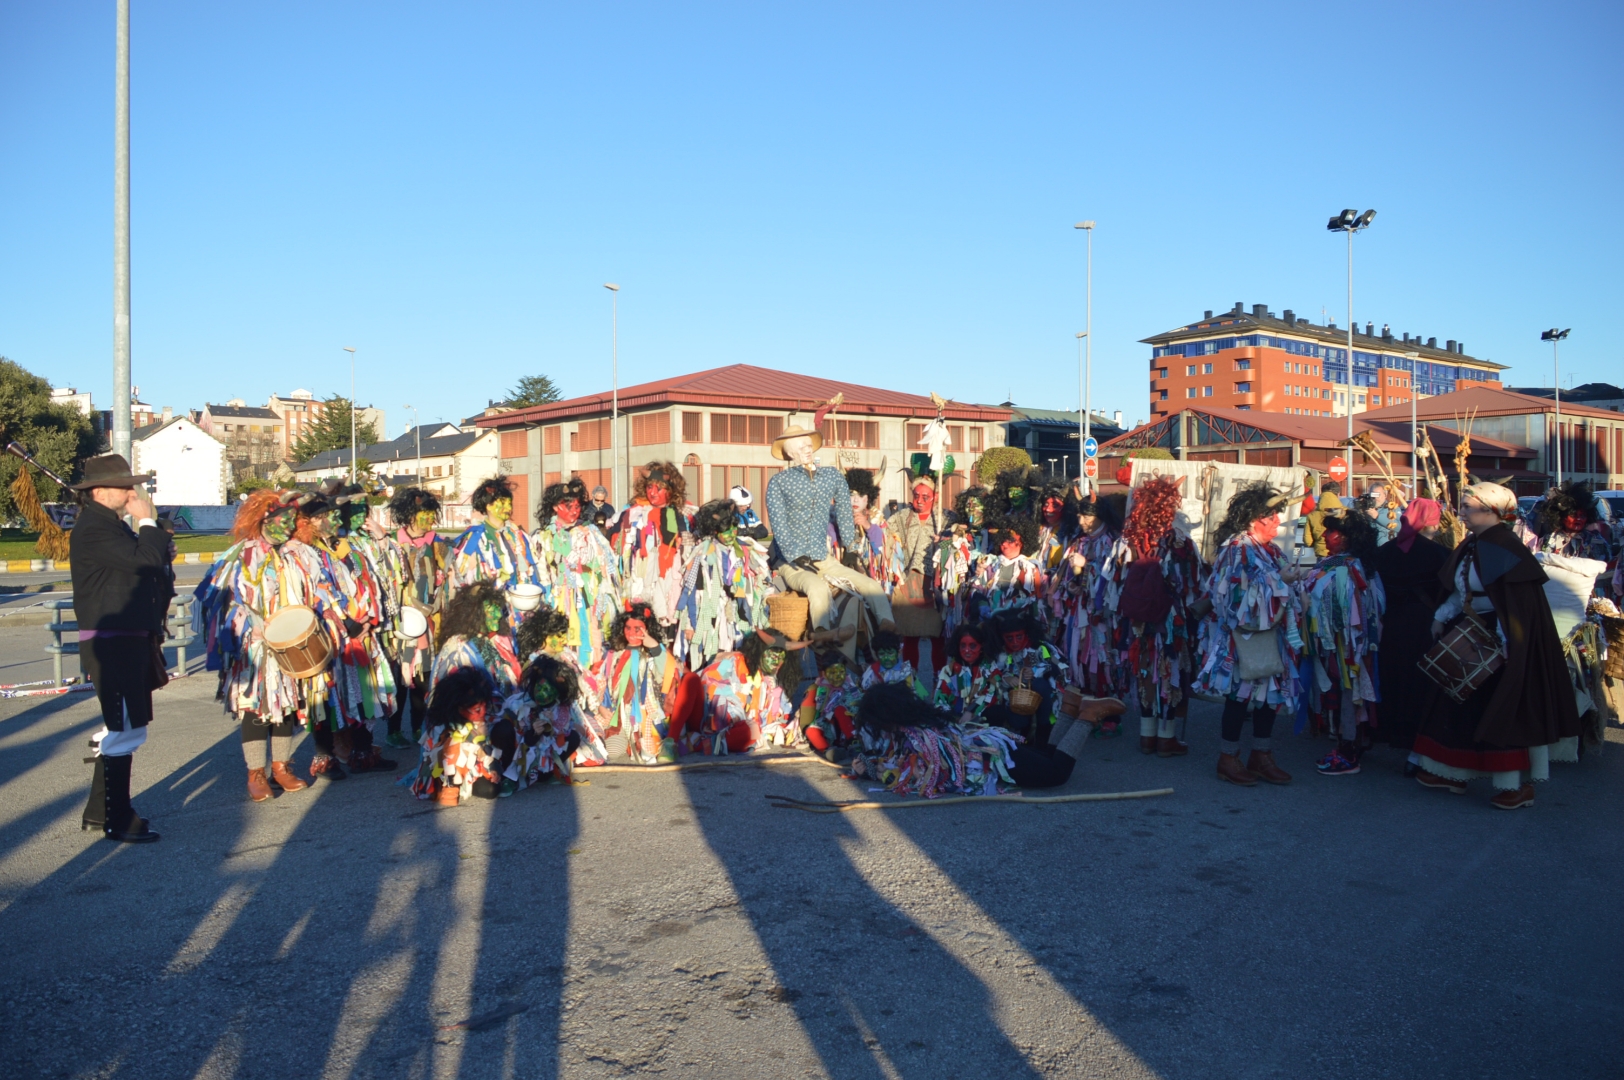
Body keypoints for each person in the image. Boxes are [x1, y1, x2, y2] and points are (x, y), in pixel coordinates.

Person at [1412, 483, 1580, 810]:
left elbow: (1514, 606)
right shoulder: (1473, 544)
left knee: (1503, 709)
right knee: (1455, 702)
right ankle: (1453, 773)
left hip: (1502, 639)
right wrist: (1442, 614)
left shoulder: (1506, 548)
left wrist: (1508, 645)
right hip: (1473, 630)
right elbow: (1463, 590)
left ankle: (1514, 786)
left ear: (1490, 510)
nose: (1460, 510)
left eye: (1466, 505)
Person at [195, 490, 344, 798]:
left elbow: (316, 589)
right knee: (257, 706)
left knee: (286, 705)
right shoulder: (244, 554)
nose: (288, 527)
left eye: (291, 521)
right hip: (255, 646)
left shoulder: (294, 553)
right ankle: (256, 773)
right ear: (263, 519)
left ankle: (281, 766)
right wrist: (250, 625)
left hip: (289, 644)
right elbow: (218, 599)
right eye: (282, 520)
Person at [71, 454, 168, 843]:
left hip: (126, 640)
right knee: (124, 729)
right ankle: (118, 819)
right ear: (98, 491)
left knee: (122, 726)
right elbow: (144, 560)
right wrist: (146, 522)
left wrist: (155, 539)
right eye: (123, 486)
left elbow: (145, 565)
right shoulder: (94, 529)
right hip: (112, 644)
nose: (131, 492)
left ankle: (99, 813)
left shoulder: (108, 526)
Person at [1193, 482, 1303, 786]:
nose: (1278, 521)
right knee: (1239, 697)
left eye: (1277, 515)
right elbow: (1230, 598)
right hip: (1242, 638)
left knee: (1269, 696)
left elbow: (1275, 584)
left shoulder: (1270, 550)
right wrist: (1279, 579)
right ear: (1253, 518)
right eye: (1271, 516)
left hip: (1271, 635)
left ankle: (1261, 755)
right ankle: (1227, 759)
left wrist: (1293, 583)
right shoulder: (1237, 548)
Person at [766, 421, 895, 652]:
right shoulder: (778, 483)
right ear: (790, 452)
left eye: (809, 444)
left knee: (869, 585)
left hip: (822, 558)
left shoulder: (831, 476)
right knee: (816, 588)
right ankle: (822, 634)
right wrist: (795, 555)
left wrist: (852, 548)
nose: (807, 449)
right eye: (801, 446)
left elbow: (845, 512)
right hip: (792, 562)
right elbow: (779, 525)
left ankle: (887, 625)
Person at [851, 682, 1093, 797]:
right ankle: (1070, 709)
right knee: (1049, 758)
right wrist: (872, 764)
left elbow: (925, 777)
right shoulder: (917, 724)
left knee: (1057, 773)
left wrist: (876, 772)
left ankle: (1087, 716)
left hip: (993, 758)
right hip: (994, 749)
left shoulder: (918, 735)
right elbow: (905, 761)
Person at [1109, 475, 1204, 757]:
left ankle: (1147, 737)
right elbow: (1192, 584)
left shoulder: (1129, 539)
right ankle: (1167, 738)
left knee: (1145, 673)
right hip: (1170, 618)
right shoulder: (1179, 541)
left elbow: (1115, 580)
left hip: (1137, 620)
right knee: (1171, 671)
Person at [1298, 509, 1385, 776]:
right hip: (1347, 644)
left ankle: (1348, 752)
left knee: (1349, 690)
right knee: (1350, 691)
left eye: (1331, 531)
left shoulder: (1343, 567)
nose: (1324, 534)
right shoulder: (1358, 566)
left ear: (1347, 538)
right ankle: (1353, 743)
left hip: (1345, 645)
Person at [1371, 498, 1450, 758]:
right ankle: (1416, 735)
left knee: (1392, 673)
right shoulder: (1440, 554)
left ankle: (1388, 729)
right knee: (1419, 679)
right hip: (1425, 624)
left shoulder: (1386, 551)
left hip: (1391, 623)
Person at [591, 602, 701, 763]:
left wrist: (654, 647)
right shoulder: (613, 655)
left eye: (638, 629)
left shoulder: (653, 654)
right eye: (628, 628)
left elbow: (665, 674)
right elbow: (602, 682)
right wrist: (601, 705)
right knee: (612, 751)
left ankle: (666, 741)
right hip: (619, 715)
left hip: (649, 715)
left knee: (649, 750)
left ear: (647, 629)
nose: (632, 633)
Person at [381, 486, 448, 749]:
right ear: (409, 515)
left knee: (423, 677)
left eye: (432, 514)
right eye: (425, 513)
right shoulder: (392, 544)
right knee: (400, 678)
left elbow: (453, 570)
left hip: (429, 622)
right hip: (400, 623)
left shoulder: (438, 543)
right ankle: (393, 730)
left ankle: (419, 728)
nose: (430, 519)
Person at [532, 477, 621, 670]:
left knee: (591, 639)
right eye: (568, 506)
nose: (575, 510)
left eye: (578, 506)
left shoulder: (591, 533)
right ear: (555, 507)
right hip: (559, 602)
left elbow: (606, 566)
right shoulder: (543, 537)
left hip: (589, 600)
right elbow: (541, 573)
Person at [676, 498, 775, 672]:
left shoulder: (746, 550)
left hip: (741, 615)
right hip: (713, 615)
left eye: (733, 529)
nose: (730, 535)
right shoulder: (703, 554)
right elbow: (690, 590)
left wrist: (768, 594)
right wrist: (689, 625)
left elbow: (762, 578)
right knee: (715, 659)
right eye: (725, 531)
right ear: (714, 531)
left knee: (741, 657)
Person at [693, 627, 803, 753]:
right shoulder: (731, 663)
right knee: (749, 731)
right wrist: (735, 715)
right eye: (772, 656)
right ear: (760, 652)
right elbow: (713, 684)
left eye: (781, 657)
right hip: (715, 721)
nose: (776, 662)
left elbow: (779, 713)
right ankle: (704, 744)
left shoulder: (772, 678)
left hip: (747, 726)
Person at [615, 461, 693, 629]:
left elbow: (690, 544)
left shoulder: (682, 514)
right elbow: (616, 540)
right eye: (650, 487)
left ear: (671, 490)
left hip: (671, 574)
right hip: (642, 574)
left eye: (659, 488)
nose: (653, 492)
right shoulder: (633, 513)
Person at [446, 476, 544, 596]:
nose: (509, 508)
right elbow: (463, 577)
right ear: (488, 506)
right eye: (503, 503)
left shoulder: (520, 536)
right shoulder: (475, 539)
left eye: (510, 503)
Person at [798, 647, 862, 761]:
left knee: (839, 710)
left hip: (849, 727)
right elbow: (811, 716)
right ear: (824, 674)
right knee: (810, 730)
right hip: (829, 728)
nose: (838, 676)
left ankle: (854, 743)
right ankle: (830, 751)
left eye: (841, 671)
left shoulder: (851, 687)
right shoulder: (818, 689)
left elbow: (859, 706)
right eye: (832, 672)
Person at [1302, 482, 1342, 558]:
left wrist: (1317, 545)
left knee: (1322, 570)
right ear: (1338, 494)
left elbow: (1307, 539)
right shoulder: (1346, 512)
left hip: (1322, 554)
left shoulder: (1313, 515)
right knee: (1339, 570)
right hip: (1340, 553)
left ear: (1322, 494)